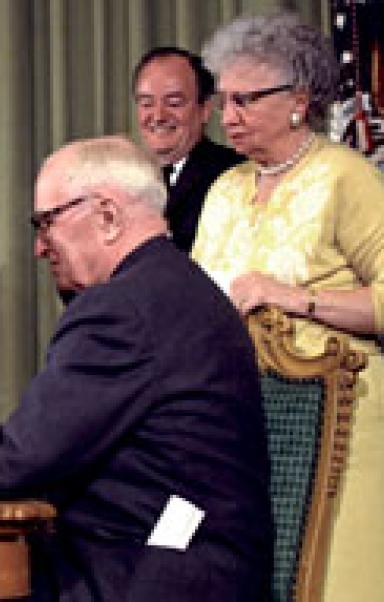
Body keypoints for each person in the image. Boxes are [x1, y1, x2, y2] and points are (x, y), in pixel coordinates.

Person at [0, 136, 272, 601]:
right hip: (181, 562)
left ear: (107, 216)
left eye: (46, 223)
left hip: (143, 573)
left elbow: (21, 459)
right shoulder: (176, 285)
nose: (41, 247)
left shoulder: (123, 308)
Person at [194, 13, 384, 600]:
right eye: (224, 100)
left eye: (246, 100)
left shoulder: (345, 178)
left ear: (299, 99)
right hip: (243, 430)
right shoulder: (225, 189)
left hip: (341, 432)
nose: (228, 117)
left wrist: (294, 298)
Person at [132, 46, 243, 252]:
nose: (158, 116)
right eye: (146, 104)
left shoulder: (234, 176)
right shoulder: (126, 178)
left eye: (174, 103)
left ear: (205, 110)